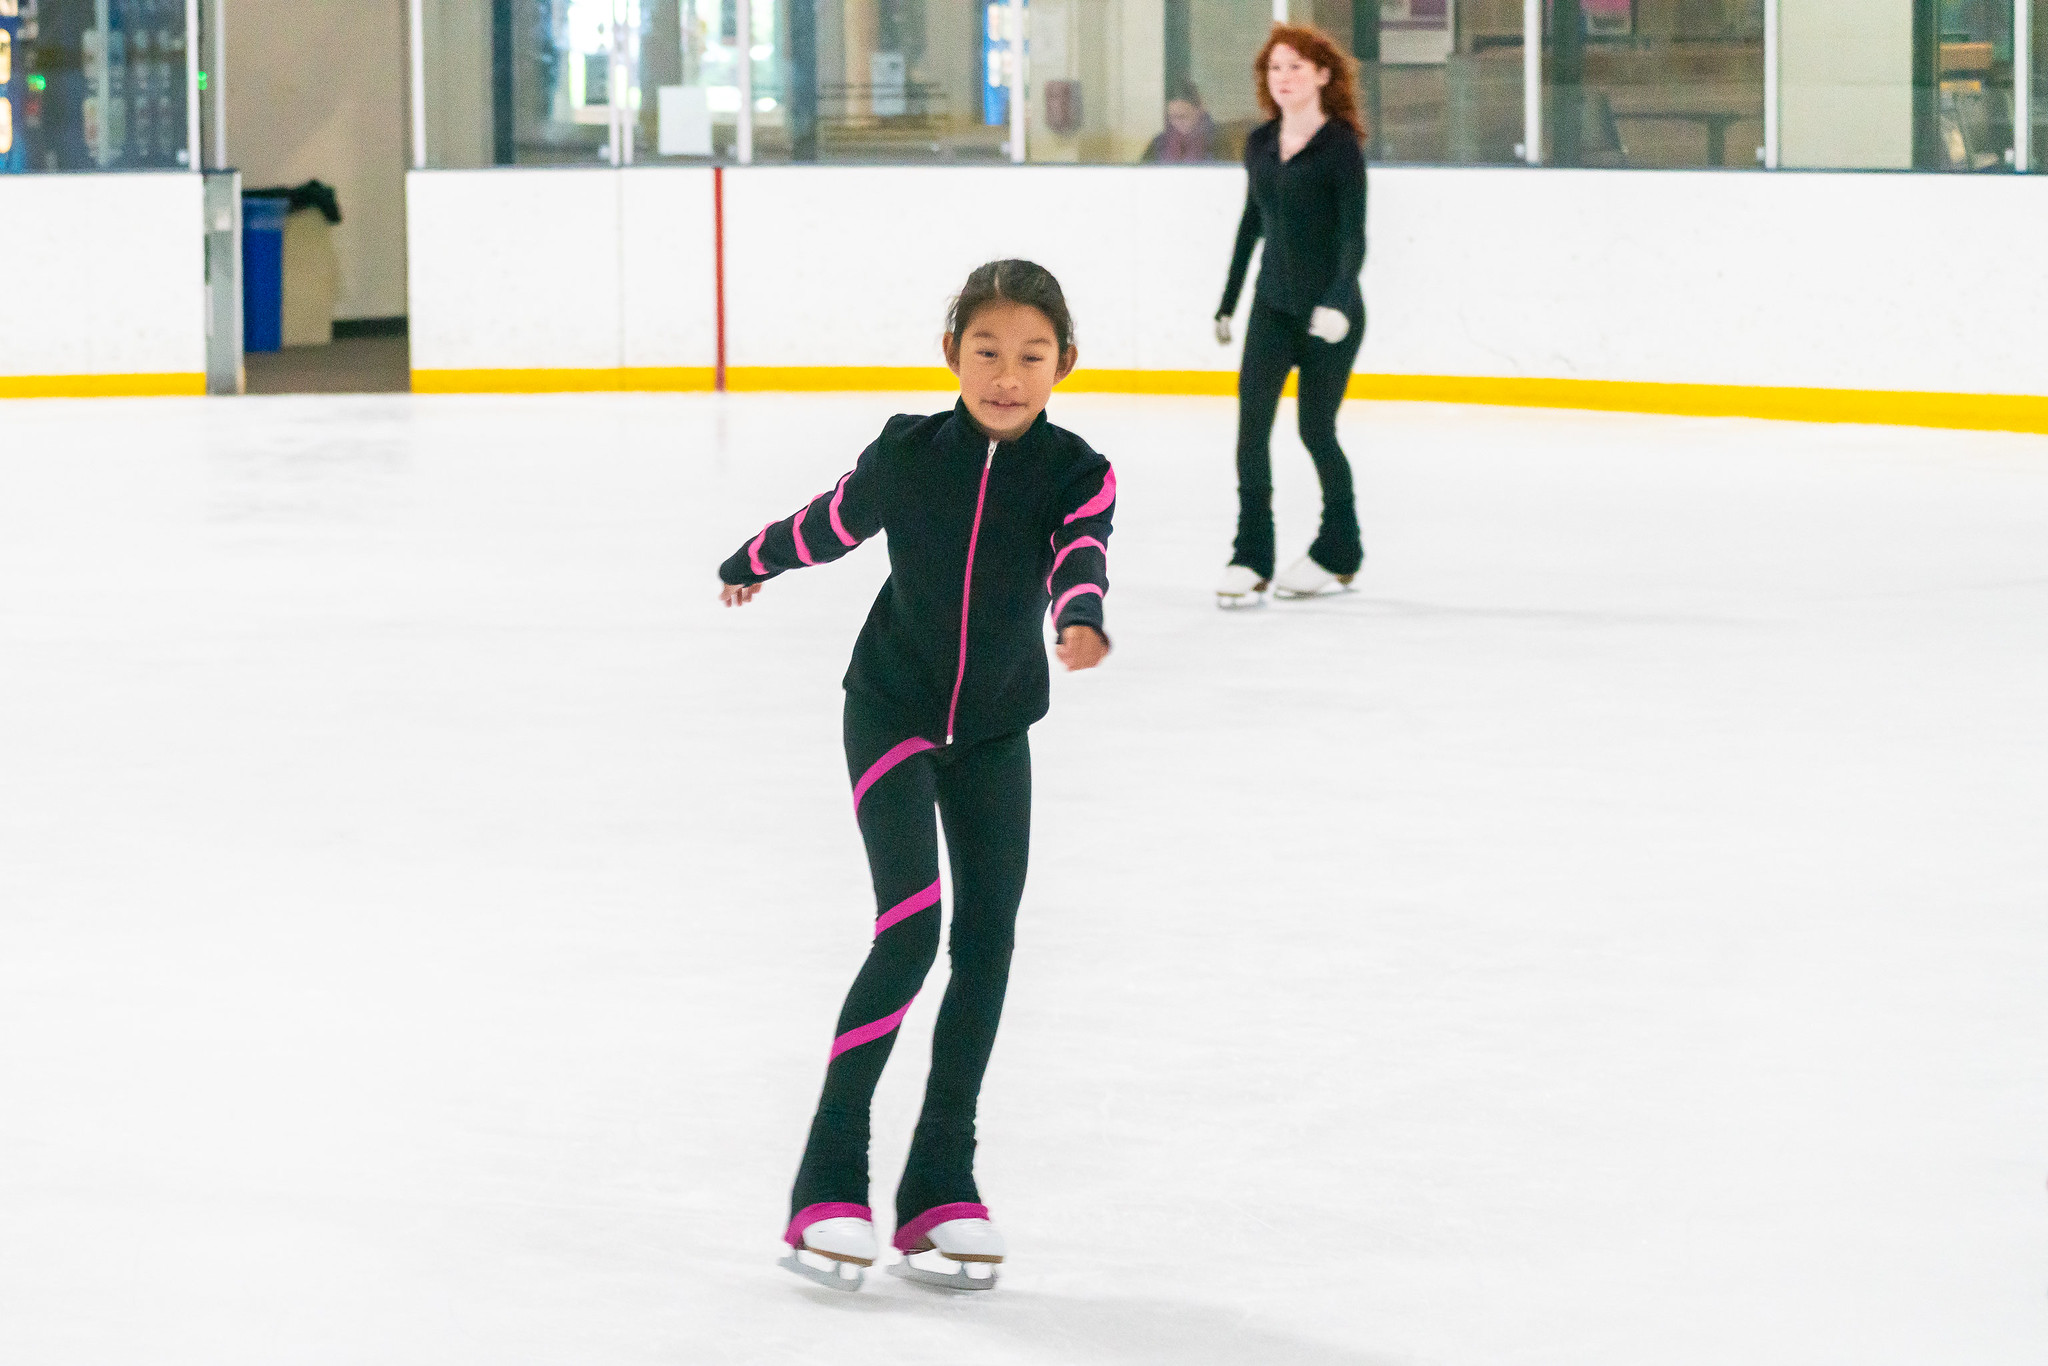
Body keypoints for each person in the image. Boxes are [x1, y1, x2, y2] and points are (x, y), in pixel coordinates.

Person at [716, 259, 1116, 1293]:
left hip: (991, 730)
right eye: (986, 351)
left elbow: (1081, 553)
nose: (1006, 374)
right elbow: (832, 520)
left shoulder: (1076, 472)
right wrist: (754, 557)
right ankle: (827, 1175)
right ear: (952, 355)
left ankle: (941, 1180)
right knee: (912, 928)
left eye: (1031, 355)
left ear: (1061, 364)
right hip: (890, 710)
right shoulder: (907, 453)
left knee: (986, 943)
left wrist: (1079, 617)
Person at [1211, 24, 1369, 607]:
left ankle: (1340, 547)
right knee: (1251, 429)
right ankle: (1251, 554)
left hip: (1331, 313)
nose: (1284, 78)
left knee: (1315, 430)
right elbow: (1253, 224)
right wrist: (1228, 301)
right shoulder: (1259, 143)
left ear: (1323, 75)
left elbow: (1354, 238)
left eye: (1296, 67)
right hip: (1271, 308)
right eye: (1275, 68)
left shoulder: (1341, 146)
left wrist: (1337, 300)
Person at [1141, 81, 1219, 163]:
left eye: (1183, 117)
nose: (1176, 123)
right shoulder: (1159, 143)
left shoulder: (1219, 141)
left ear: (1199, 109)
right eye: (1171, 117)